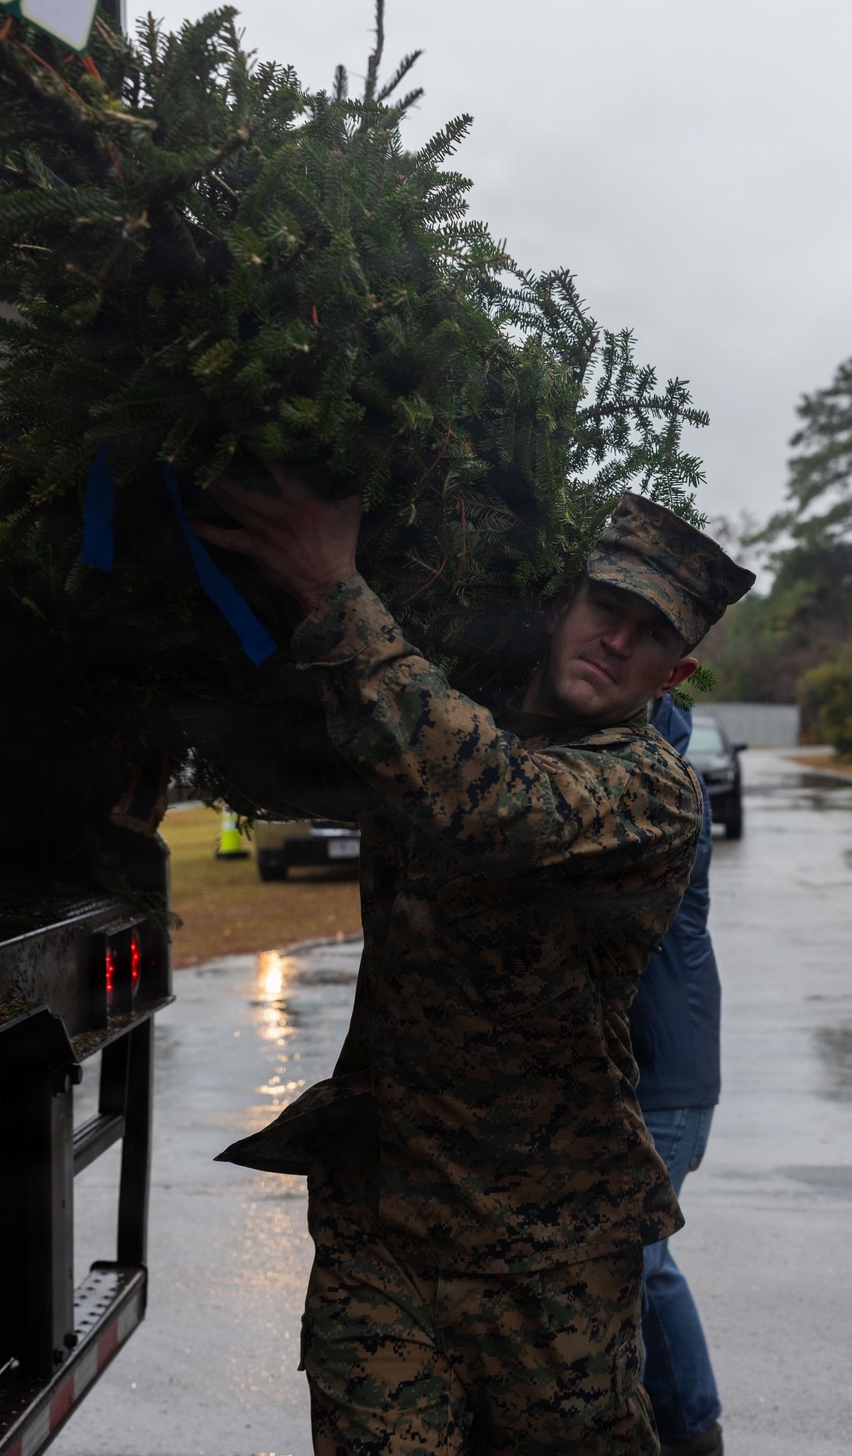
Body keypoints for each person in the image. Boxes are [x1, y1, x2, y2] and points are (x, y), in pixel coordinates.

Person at [199, 479, 754, 1455]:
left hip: (547, 1260)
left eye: (649, 631)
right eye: (604, 607)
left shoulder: (651, 791)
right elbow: (317, 740)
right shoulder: (438, 707)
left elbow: (489, 799)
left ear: (676, 670)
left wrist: (334, 583)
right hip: (386, 1232)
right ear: (557, 604)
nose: (617, 639)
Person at [632, 694, 723, 1456]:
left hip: (671, 1074)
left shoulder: (670, 786)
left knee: (640, 1256)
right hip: (652, 1067)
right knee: (640, 1256)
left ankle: (693, 1428)